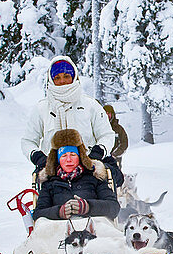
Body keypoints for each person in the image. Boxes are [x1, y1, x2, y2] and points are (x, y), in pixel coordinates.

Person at [22, 55, 122, 186]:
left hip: (88, 169)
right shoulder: (41, 108)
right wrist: (39, 158)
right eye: (57, 78)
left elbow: (106, 135)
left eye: (66, 76)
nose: (62, 81)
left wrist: (97, 153)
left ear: (74, 76)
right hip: (53, 173)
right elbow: (28, 141)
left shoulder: (90, 105)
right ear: (51, 80)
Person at [32, 130, 119, 223]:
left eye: (73, 155)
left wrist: (87, 207)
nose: (68, 160)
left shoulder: (94, 176)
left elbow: (113, 207)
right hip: (60, 231)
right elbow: (38, 214)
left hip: (94, 229)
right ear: (57, 159)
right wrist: (59, 212)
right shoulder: (50, 182)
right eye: (64, 156)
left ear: (80, 156)